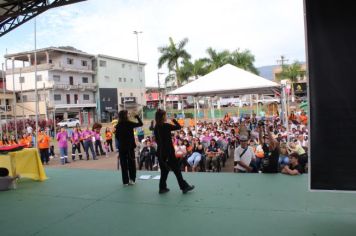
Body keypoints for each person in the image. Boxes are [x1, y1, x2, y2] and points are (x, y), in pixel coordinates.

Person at [154, 109, 194, 194]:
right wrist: (174, 120)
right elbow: (179, 126)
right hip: (168, 153)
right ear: (162, 117)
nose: (166, 117)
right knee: (177, 171)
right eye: (165, 115)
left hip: (160, 153)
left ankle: (162, 188)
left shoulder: (156, 127)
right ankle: (184, 187)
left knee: (164, 171)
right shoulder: (166, 126)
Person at [115, 110, 143, 186]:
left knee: (123, 165)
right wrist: (137, 117)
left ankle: (125, 181)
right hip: (130, 147)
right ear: (125, 115)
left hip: (122, 148)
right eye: (127, 114)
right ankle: (132, 179)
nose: (128, 115)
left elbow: (117, 137)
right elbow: (141, 124)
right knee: (131, 164)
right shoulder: (129, 123)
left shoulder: (118, 125)